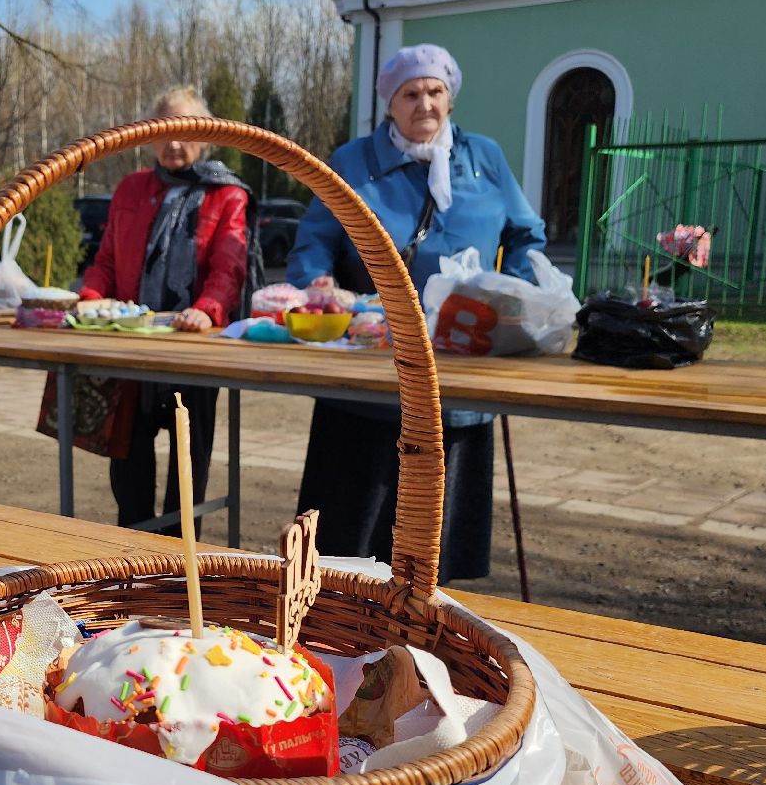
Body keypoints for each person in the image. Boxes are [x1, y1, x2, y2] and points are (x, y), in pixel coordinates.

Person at [287, 43, 546, 579]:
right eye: (410, 93)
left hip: (461, 355)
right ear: (390, 103)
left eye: (435, 91)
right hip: (371, 361)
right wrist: (317, 281)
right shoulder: (354, 161)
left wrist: (514, 293)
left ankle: (425, 640)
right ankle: (341, 630)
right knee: (351, 536)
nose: (424, 104)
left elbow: (527, 235)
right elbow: (312, 239)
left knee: (434, 539)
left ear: (450, 99)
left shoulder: (485, 158)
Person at [78, 85, 249, 530]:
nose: (174, 143)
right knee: (127, 469)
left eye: (186, 130)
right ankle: (130, 562)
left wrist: (208, 308)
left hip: (192, 350)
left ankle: (177, 567)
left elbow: (230, 267)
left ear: (207, 135)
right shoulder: (131, 188)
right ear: (149, 136)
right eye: (164, 131)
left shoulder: (227, 194)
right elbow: (107, 261)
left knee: (187, 476)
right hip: (132, 349)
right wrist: (89, 301)